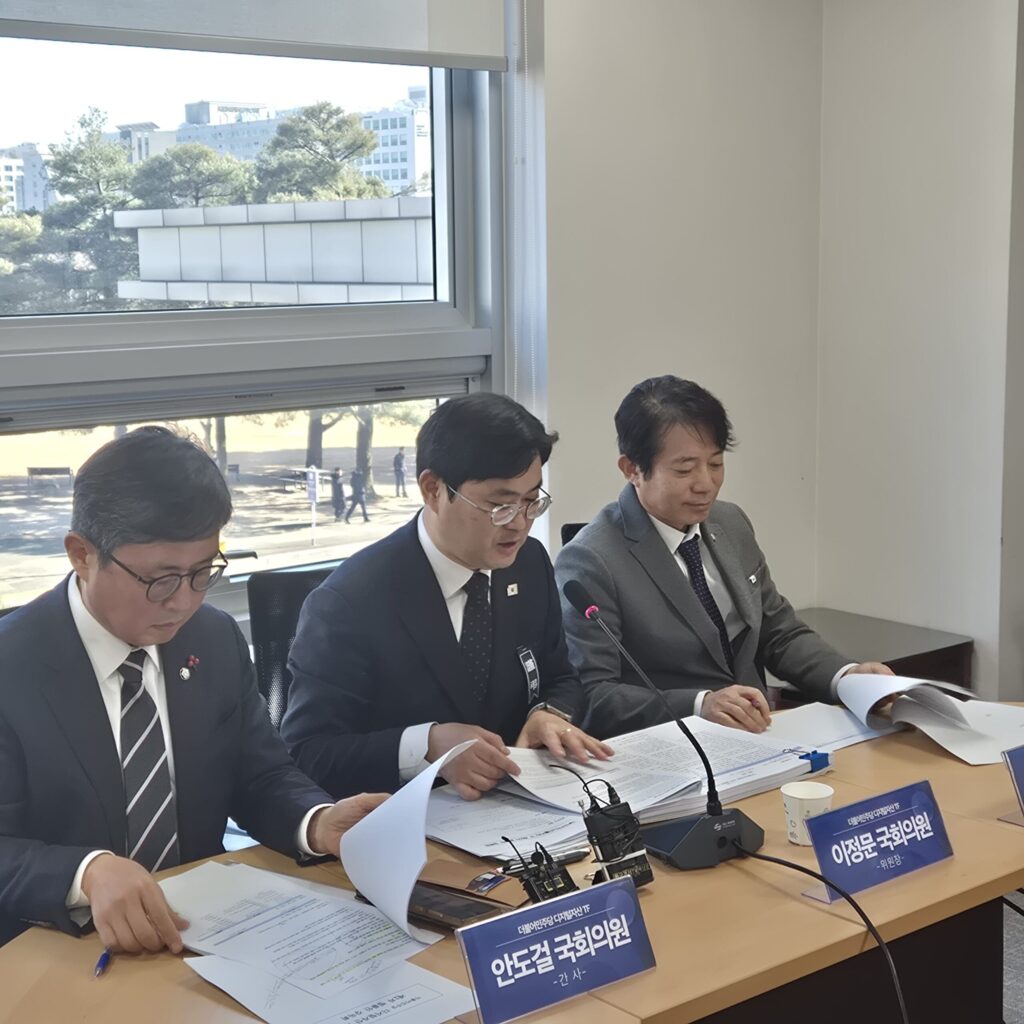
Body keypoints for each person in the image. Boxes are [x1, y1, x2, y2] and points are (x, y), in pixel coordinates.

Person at [0, 427, 387, 952]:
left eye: (203, 573)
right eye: (160, 580)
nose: (183, 602)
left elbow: (259, 775)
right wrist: (85, 872)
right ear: (82, 555)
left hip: (203, 932)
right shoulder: (12, 667)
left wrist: (316, 821)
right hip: (57, 947)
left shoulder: (213, 638)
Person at [280, 393, 613, 800]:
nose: (519, 524)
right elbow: (309, 753)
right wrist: (427, 747)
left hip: (521, 807)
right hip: (409, 816)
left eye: (531, 501)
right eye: (500, 505)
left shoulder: (528, 564)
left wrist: (548, 714)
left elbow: (560, 676)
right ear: (433, 489)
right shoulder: (349, 603)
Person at [554, 376, 892, 738]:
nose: (706, 484)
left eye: (715, 464)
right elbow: (595, 696)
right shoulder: (591, 559)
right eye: (684, 469)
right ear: (632, 469)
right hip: (676, 745)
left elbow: (779, 633)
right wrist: (700, 705)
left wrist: (847, 678)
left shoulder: (730, 523)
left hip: (763, 735)